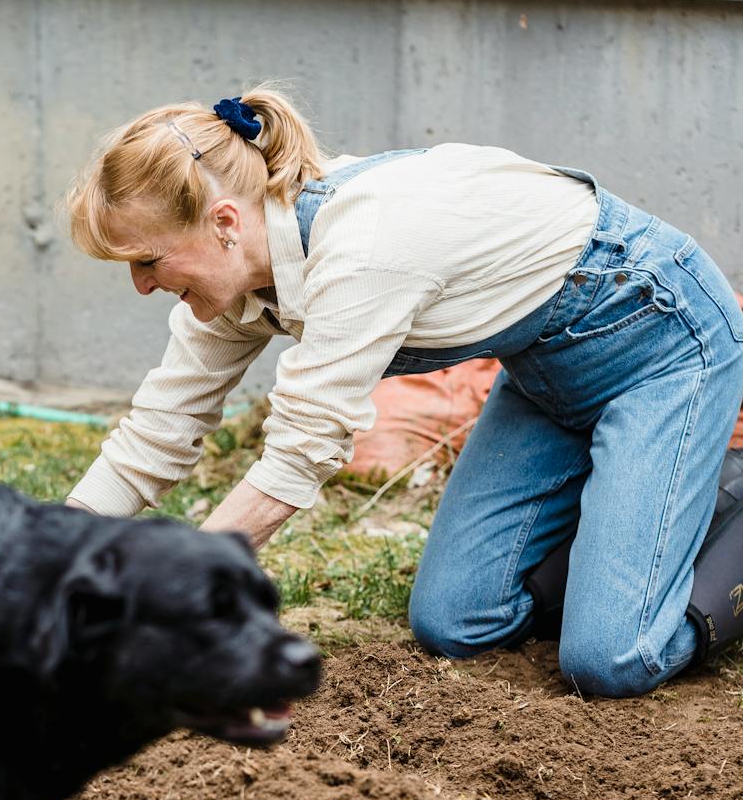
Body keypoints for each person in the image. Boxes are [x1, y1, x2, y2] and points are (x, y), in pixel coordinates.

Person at [62, 87, 743, 697]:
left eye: (147, 261)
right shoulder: (242, 282)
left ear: (224, 223)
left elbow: (298, 459)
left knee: (610, 659)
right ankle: (639, 529)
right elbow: (158, 429)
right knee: (457, 621)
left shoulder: (360, 248)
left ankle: (717, 512)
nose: (142, 286)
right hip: (546, 372)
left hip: (661, 337)